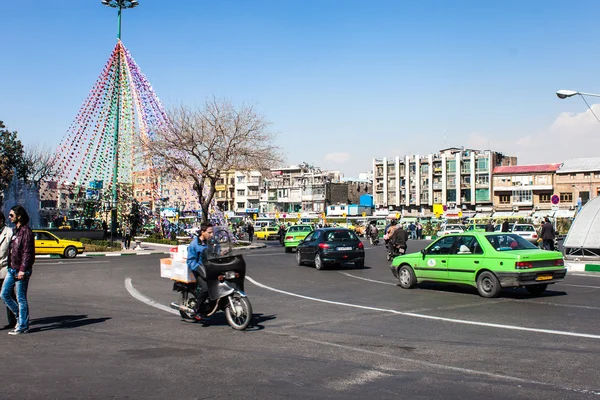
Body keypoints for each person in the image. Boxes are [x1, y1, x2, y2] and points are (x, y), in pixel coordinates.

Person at [1, 205, 35, 335]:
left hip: (21, 270)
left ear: (19, 216)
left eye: (11, 215)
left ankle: (23, 326)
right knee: (4, 294)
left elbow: (27, 252)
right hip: (12, 268)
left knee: (21, 298)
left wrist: (22, 270)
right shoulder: (16, 230)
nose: (9, 218)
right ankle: (20, 316)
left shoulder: (26, 231)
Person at [186, 223, 214, 320]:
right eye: (209, 232)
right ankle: (196, 308)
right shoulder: (194, 244)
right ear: (202, 232)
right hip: (200, 271)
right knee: (206, 288)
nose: (212, 235)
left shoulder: (211, 243)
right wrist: (199, 268)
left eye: (212, 233)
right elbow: (190, 261)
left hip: (212, 269)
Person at [0, 212, 17, 330]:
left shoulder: (9, 232)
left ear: (1, 220)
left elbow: (14, 251)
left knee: (8, 295)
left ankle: (15, 320)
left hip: (5, 269)